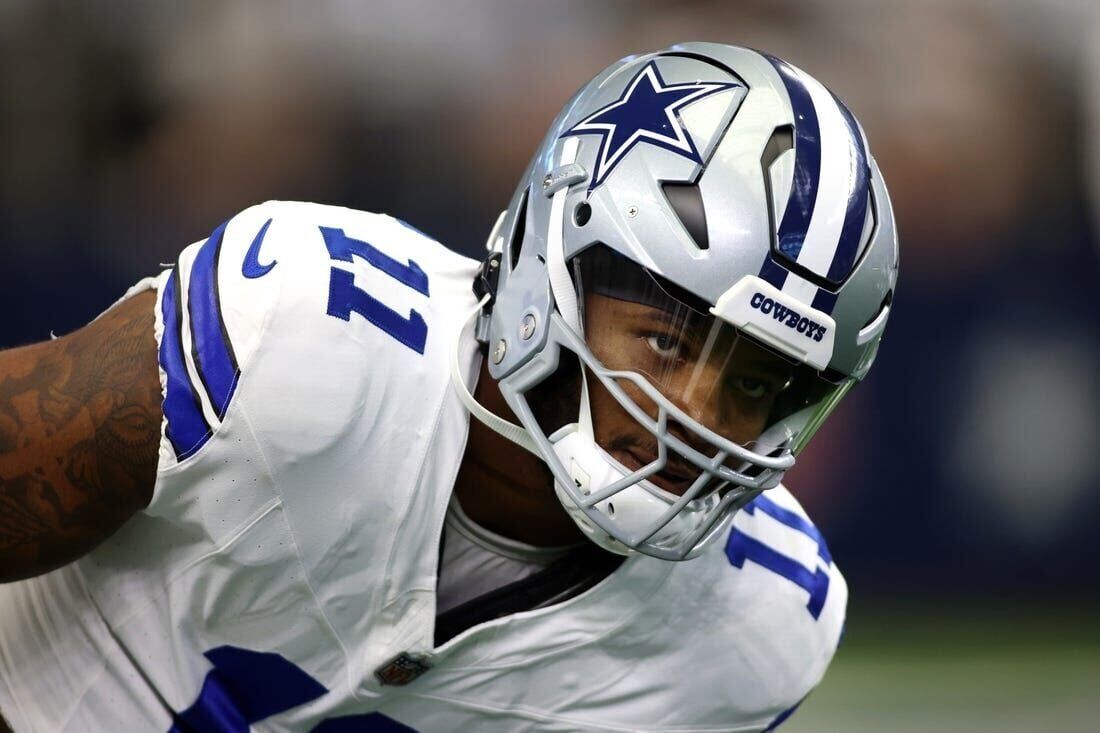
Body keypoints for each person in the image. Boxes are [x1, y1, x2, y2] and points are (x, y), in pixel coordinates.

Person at [0, 42, 897, 732]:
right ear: (551, 267)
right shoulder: (308, 328)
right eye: (666, 341)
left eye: (754, 383)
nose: (697, 415)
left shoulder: (764, 628)